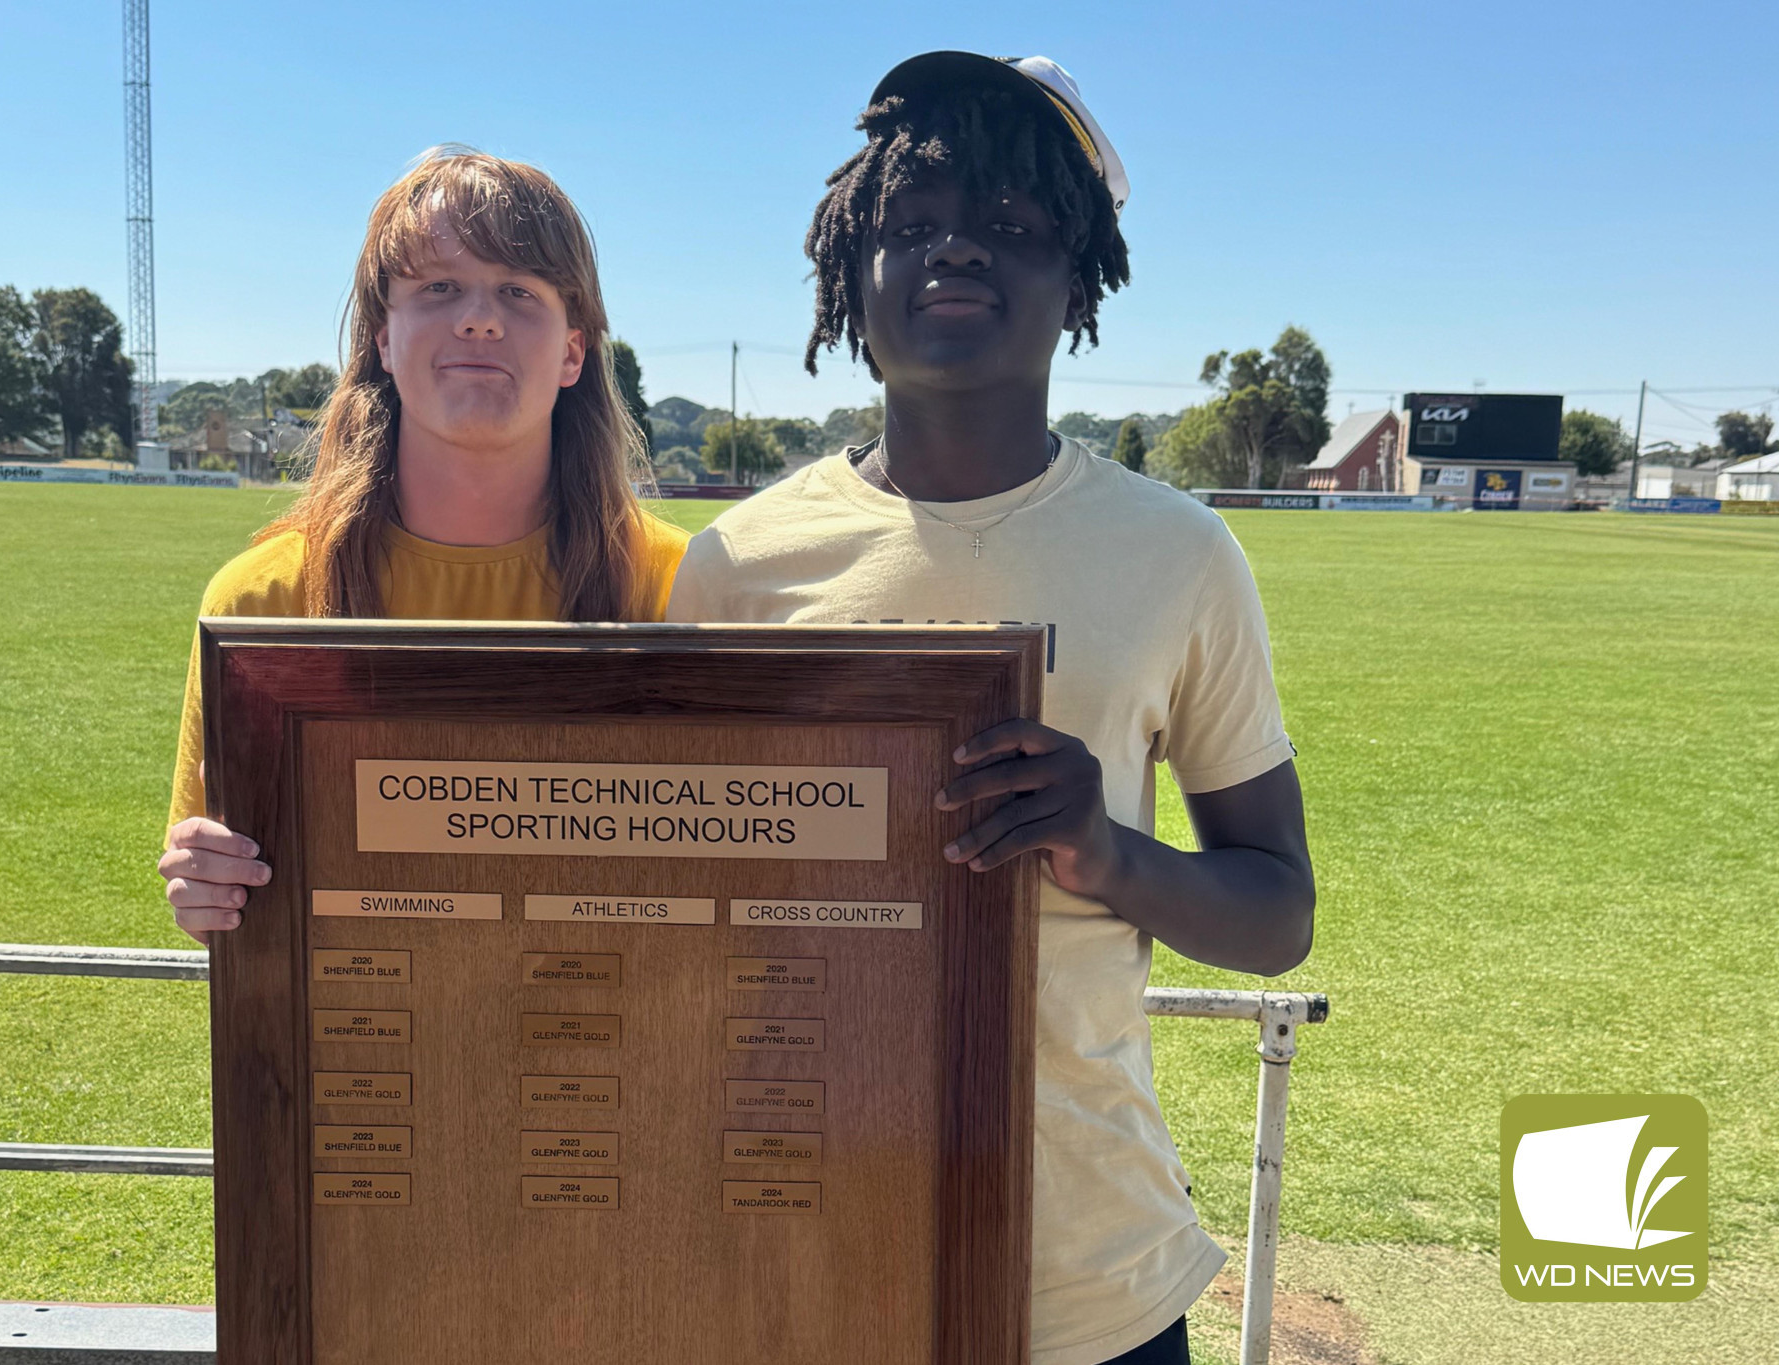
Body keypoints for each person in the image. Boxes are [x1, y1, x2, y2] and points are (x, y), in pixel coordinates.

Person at [665, 53, 1314, 1365]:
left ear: (1078, 278)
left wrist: (1108, 852)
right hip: (802, 1266)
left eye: (1011, 226)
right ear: (852, 273)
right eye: (911, 227)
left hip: (1087, 1287)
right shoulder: (737, 568)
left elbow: (1278, 916)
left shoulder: (1180, 555)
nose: (954, 251)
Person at [160, 149, 688, 941]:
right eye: (439, 287)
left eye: (518, 290)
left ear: (574, 350)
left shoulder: (679, 587)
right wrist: (207, 886)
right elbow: (225, 901)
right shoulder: (262, 605)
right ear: (382, 336)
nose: (479, 317)